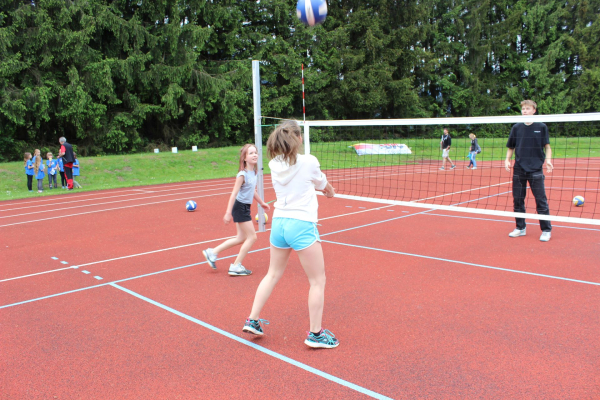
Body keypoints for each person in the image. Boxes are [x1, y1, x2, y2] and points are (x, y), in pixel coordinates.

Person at [242, 120, 339, 349]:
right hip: (301, 224)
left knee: (272, 274)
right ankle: (316, 334)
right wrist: (331, 192)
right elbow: (323, 185)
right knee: (318, 280)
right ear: (297, 138)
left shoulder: (274, 163)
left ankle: (253, 319)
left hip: (280, 223)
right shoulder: (309, 161)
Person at [202, 144, 271, 276]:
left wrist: (261, 203)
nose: (255, 155)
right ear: (245, 158)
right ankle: (235, 266)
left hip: (244, 207)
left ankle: (212, 252)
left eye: (255, 152)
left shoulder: (254, 172)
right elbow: (233, 194)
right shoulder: (242, 174)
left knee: (240, 238)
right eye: (251, 153)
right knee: (252, 237)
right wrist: (228, 212)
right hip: (239, 207)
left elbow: (252, 190)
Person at [505, 99, 553, 242]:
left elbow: (547, 147)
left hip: (536, 169)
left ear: (534, 110)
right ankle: (520, 228)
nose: (524, 111)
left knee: (541, 200)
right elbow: (511, 147)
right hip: (519, 169)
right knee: (518, 200)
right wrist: (507, 159)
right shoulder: (516, 127)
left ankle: (546, 229)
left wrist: (549, 160)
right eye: (523, 109)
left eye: (527, 108)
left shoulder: (541, 126)